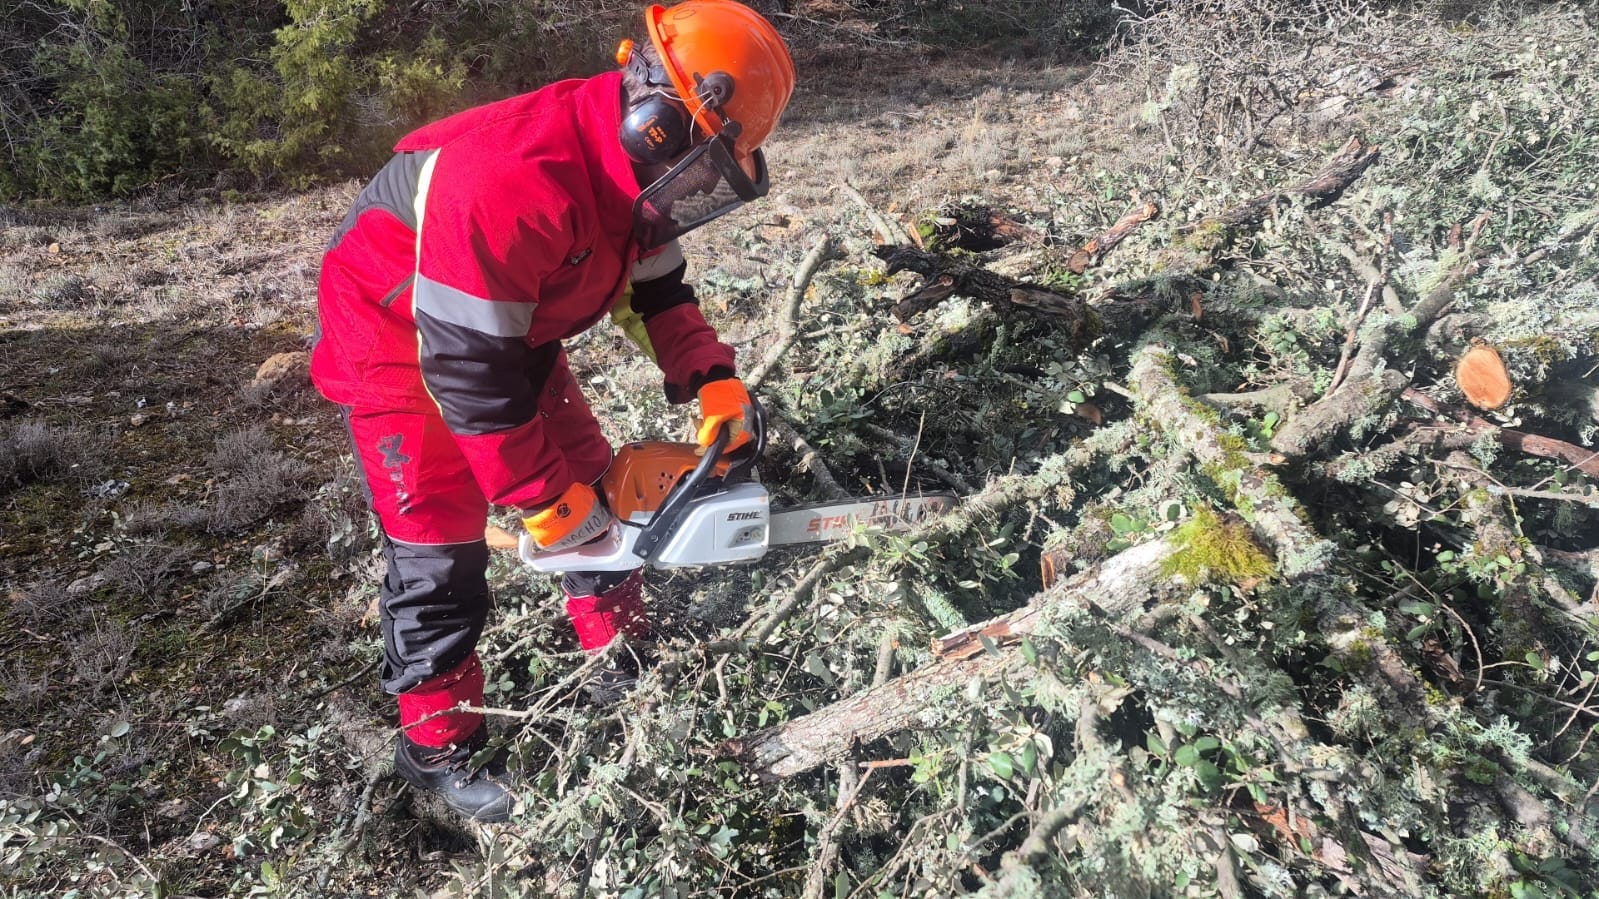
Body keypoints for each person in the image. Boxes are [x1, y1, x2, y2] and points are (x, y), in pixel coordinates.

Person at [308, 0, 796, 822]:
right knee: (439, 553)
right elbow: (465, 370)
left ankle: (620, 652)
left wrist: (711, 377)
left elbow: (660, 291)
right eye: (707, 161)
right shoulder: (509, 180)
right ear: (655, 124)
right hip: (396, 339)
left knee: (596, 494)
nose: (705, 184)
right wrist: (538, 501)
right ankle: (436, 749)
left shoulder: (630, 179)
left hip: (505, 330)